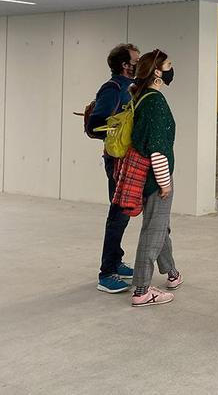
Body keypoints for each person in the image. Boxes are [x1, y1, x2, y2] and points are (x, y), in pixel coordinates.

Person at [129, 49, 182, 307]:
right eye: (169, 64)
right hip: (154, 177)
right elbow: (157, 148)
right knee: (153, 230)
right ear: (158, 72)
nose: (173, 68)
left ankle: (171, 273)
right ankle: (141, 289)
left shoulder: (141, 97)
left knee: (159, 225)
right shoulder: (155, 102)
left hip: (144, 176)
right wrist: (165, 183)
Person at [89, 43, 140, 294]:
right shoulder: (112, 88)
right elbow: (95, 125)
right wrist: (118, 129)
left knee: (123, 211)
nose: (138, 63)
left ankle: (116, 261)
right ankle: (106, 272)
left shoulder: (130, 88)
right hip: (116, 159)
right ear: (124, 64)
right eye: (135, 60)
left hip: (127, 159)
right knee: (118, 213)